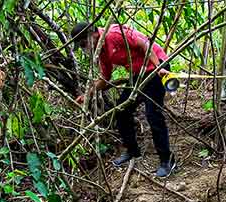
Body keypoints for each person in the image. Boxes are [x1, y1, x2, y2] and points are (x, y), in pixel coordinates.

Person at [70, 22, 177, 178]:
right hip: (137, 75)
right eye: (81, 46)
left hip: (155, 68)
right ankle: (132, 151)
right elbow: (105, 78)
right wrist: (88, 94)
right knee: (121, 111)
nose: (85, 47)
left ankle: (167, 161)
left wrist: (158, 67)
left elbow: (144, 43)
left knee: (153, 114)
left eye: (84, 43)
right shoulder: (101, 50)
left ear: (93, 34)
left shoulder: (113, 34)